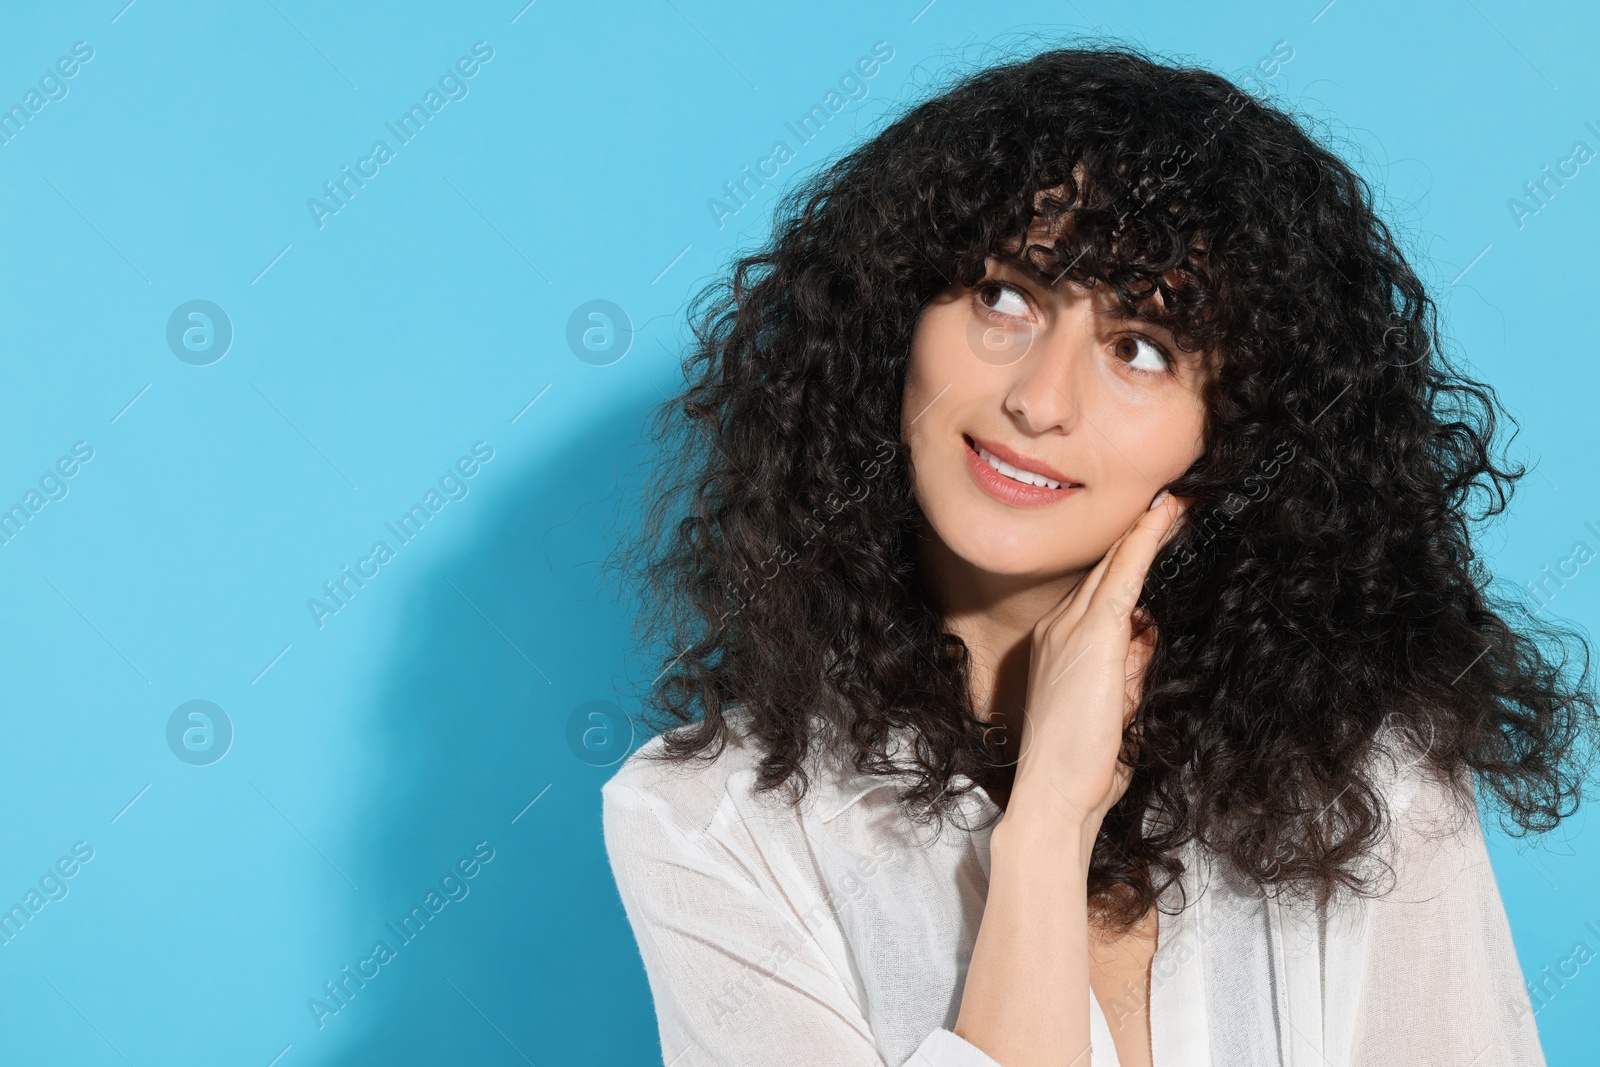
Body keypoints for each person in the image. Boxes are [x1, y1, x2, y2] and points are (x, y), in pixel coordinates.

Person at [600, 40, 1597, 1067]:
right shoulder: (705, 826)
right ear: (892, 320)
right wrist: (1044, 828)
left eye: (1139, 347)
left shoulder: (1368, 775)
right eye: (1004, 298)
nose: (1039, 398)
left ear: (1238, 430)